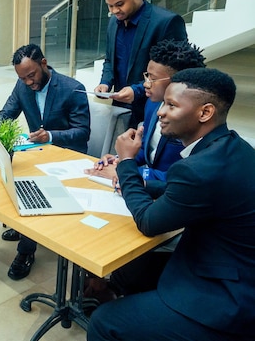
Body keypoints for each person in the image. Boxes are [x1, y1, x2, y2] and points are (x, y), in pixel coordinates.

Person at [88, 68, 255, 341]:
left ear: (205, 112)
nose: (161, 112)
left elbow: (148, 222)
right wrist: (142, 185)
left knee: (104, 322)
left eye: (172, 105)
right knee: (132, 271)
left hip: (226, 298)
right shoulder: (234, 147)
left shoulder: (197, 168)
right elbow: (190, 191)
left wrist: (127, 163)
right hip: (237, 270)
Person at [83, 39, 206, 302]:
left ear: (176, 82)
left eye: (152, 78)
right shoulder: (152, 104)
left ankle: (115, 290)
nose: (145, 84)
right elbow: (145, 155)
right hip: (140, 192)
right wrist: (121, 158)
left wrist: (131, 173)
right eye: (146, 75)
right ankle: (100, 285)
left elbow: (186, 176)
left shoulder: (192, 122)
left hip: (169, 207)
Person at [0, 44, 90, 280]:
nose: (28, 82)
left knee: (33, 188)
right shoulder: (22, 85)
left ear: (44, 64)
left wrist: (52, 136)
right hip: (38, 153)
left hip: (68, 157)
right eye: (22, 77)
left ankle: (26, 252)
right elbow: (7, 112)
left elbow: (82, 132)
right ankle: (26, 229)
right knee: (12, 178)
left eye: (31, 75)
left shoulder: (72, 88)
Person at [94, 0, 187, 128]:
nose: (115, 11)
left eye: (119, 4)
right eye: (110, 6)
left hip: (153, 107)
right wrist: (105, 83)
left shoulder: (167, 22)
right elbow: (110, 60)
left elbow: (174, 71)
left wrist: (136, 90)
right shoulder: (113, 22)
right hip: (121, 106)